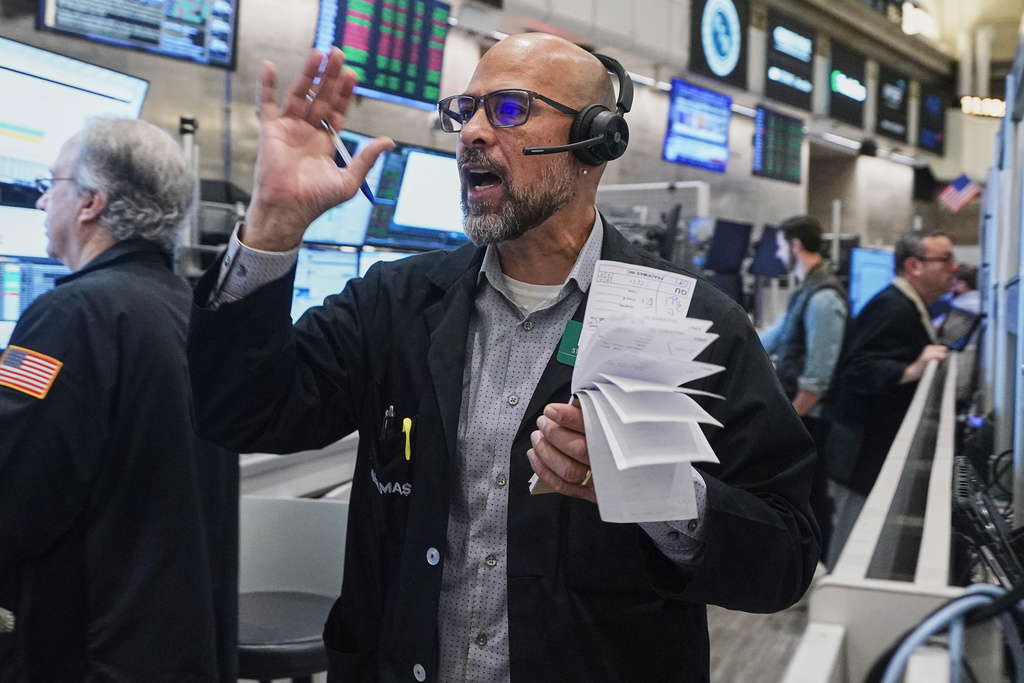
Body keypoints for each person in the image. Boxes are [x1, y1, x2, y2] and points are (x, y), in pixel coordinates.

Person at [187, 35, 818, 682]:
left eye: (511, 110)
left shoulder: (692, 321)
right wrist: (272, 224)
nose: (472, 134)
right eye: (467, 111)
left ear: (594, 144)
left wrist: (662, 494)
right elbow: (241, 411)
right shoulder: (398, 302)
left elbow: (787, 554)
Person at [0, 118, 238, 681]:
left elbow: (14, 494)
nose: (39, 202)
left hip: (85, 647)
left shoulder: (69, 316)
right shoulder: (189, 310)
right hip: (176, 645)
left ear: (89, 202)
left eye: (49, 184)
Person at [824, 229, 957, 567]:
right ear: (913, 266)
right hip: (860, 450)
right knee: (854, 537)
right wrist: (912, 368)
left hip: (866, 446)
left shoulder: (907, 305)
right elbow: (857, 368)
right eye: (945, 259)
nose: (954, 267)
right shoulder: (892, 306)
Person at [760, 215, 847, 562]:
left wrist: (791, 419)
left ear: (795, 246)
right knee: (800, 493)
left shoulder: (824, 298)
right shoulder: (807, 290)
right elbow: (770, 338)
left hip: (811, 416)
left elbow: (818, 377)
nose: (779, 253)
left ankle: (819, 565)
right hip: (800, 414)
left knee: (812, 496)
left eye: (781, 245)